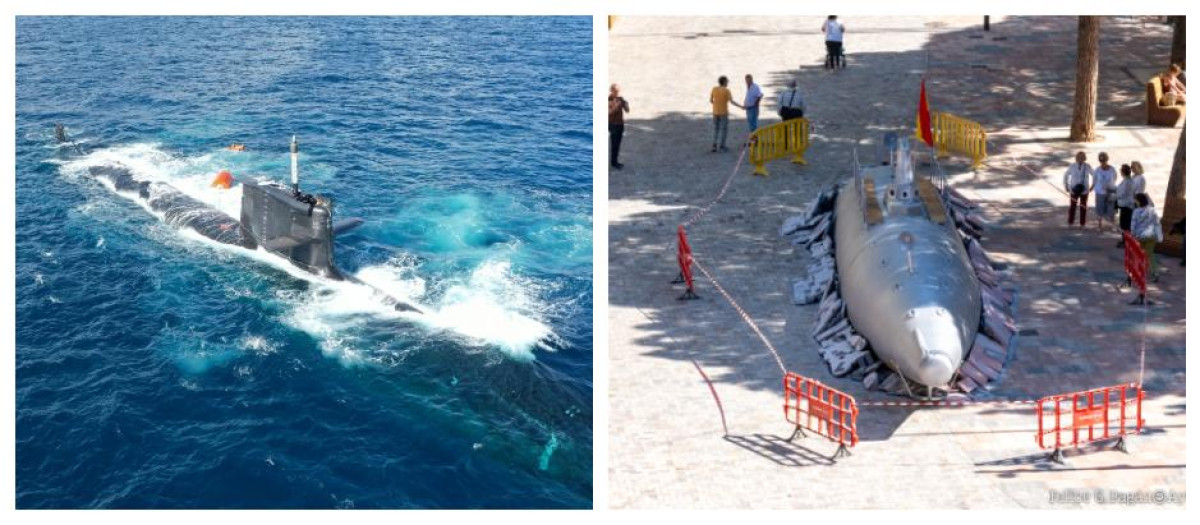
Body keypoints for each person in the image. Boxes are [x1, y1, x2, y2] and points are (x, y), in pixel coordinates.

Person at [1131, 192, 1163, 282]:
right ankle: (1155, 273)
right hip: (1152, 235)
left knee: (1138, 253)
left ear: (1138, 201)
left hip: (1140, 235)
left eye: (1135, 200)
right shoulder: (1152, 210)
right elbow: (1157, 222)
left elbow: (1133, 225)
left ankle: (1138, 271)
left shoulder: (1136, 212)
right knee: (1150, 254)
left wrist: (1132, 234)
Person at [1062, 151, 1093, 228]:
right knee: (1072, 206)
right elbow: (1065, 175)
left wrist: (1093, 186)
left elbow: (1094, 175)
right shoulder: (1072, 166)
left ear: (1084, 158)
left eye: (1082, 157)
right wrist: (1066, 185)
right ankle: (1070, 222)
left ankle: (1082, 224)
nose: (1080, 159)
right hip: (1074, 189)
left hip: (1084, 189)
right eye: (1078, 157)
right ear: (1076, 158)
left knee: (1083, 206)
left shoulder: (1087, 166)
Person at [1091, 152, 1117, 232]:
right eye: (1101, 161)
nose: (1103, 162)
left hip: (1110, 192)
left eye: (1104, 160)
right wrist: (1091, 188)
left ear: (1107, 160)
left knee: (1112, 209)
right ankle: (1100, 225)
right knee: (1099, 209)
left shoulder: (1112, 169)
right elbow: (1094, 180)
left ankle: (1113, 225)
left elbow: (1115, 178)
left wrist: (1110, 186)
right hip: (1100, 192)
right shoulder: (1097, 170)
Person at [608, 84, 629, 170]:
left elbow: (627, 111)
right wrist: (616, 106)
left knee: (618, 144)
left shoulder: (620, 99)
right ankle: (613, 162)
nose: (617, 93)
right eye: (616, 91)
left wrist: (626, 104)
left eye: (618, 91)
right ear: (611, 91)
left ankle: (615, 161)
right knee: (614, 144)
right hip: (613, 125)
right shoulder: (608, 100)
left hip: (620, 124)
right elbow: (608, 113)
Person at [710, 76, 733, 152]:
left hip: (715, 112)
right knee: (724, 129)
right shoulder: (727, 90)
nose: (728, 83)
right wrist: (741, 106)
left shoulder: (714, 89)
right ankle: (722, 146)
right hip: (723, 112)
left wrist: (716, 105)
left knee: (715, 129)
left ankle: (714, 144)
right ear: (724, 82)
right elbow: (731, 101)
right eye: (727, 81)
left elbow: (711, 100)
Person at [1115, 164, 1135, 247]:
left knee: (1125, 225)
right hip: (1126, 204)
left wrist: (1115, 196)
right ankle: (1125, 240)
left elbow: (1123, 193)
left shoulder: (1127, 182)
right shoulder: (1128, 180)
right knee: (1125, 224)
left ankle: (1126, 241)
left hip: (1126, 205)